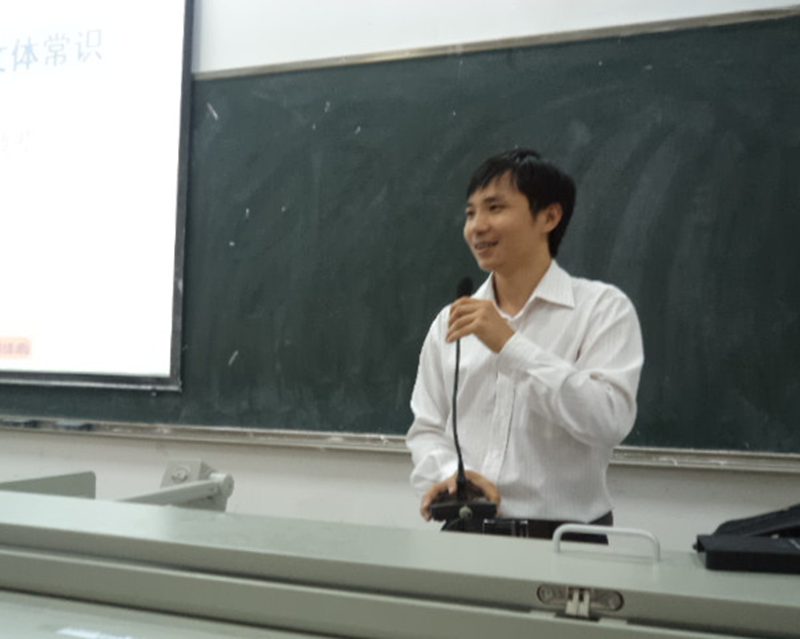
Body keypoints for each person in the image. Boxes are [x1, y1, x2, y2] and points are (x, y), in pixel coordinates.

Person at [405, 148, 644, 539]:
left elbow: (609, 421)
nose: (477, 227)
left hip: (566, 542)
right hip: (466, 533)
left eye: (495, 208)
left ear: (549, 217)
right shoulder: (451, 321)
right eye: (470, 213)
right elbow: (427, 428)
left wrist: (511, 345)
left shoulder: (603, 309)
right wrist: (452, 476)